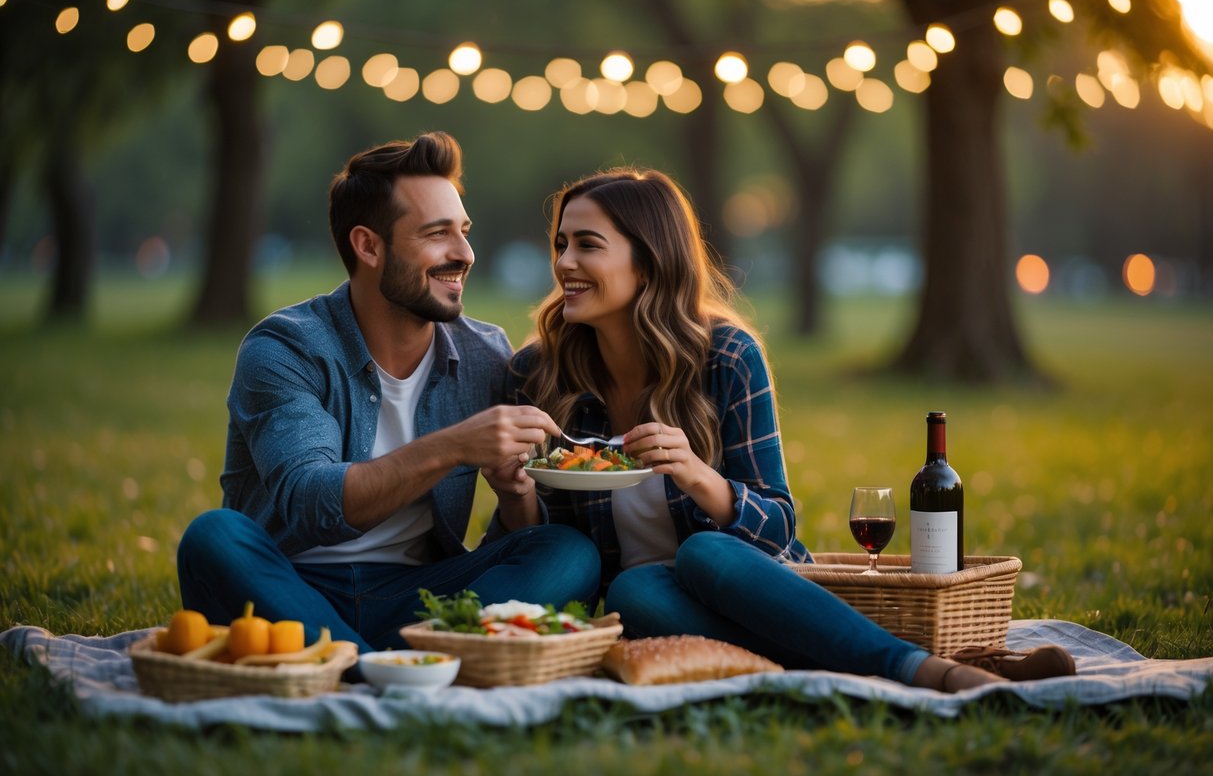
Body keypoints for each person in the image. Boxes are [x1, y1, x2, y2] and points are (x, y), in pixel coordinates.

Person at [503, 167, 1007, 692]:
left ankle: (922, 669)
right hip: (654, 605)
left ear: (648, 263)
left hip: (748, 585)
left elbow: (778, 527)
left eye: (588, 245)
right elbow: (541, 549)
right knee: (633, 590)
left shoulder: (727, 356)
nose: (564, 263)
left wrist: (699, 477)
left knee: (704, 552)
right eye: (560, 244)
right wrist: (512, 491)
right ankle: (848, 665)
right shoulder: (537, 374)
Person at [176, 132, 600, 653]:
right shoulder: (285, 349)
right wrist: (452, 446)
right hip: (288, 588)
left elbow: (513, 538)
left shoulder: (486, 356)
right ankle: (404, 663)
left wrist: (517, 494)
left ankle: (354, 661)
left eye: (464, 232)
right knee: (214, 538)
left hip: (420, 597)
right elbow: (313, 504)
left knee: (567, 551)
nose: (464, 253)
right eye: (437, 234)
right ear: (368, 245)